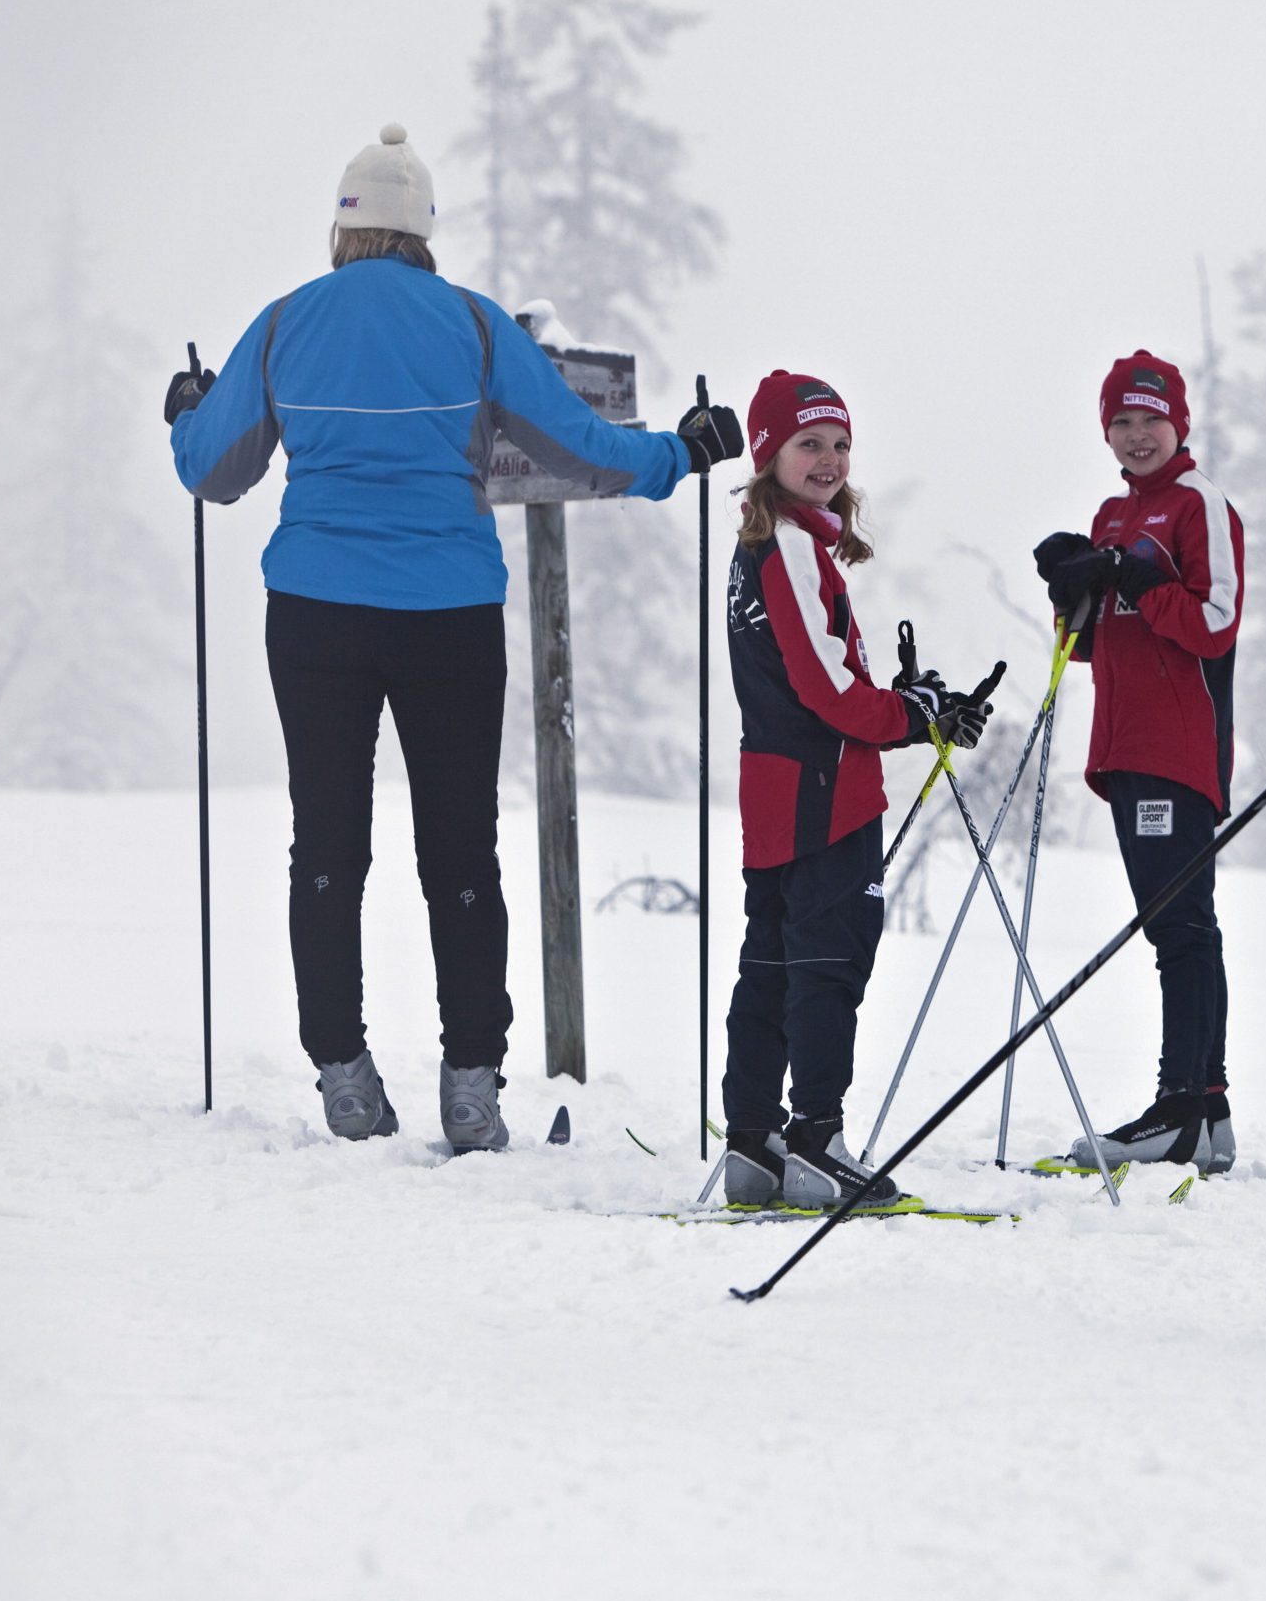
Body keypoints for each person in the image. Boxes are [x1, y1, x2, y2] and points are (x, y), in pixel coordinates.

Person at [167, 123, 744, 1154]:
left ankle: (343, 1077)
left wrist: (189, 413)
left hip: (314, 615)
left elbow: (212, 473)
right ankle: (471, 1087)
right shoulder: (473, 326)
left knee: (328, 844)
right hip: (448, 617)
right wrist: (679, 456)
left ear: (343, 229)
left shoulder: (286, 321)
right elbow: (581, 444)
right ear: (423, 232)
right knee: (459, 848)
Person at [718, 371, 993, 1209]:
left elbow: (822, 673)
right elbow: (828, 692)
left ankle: (754, 1143)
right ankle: (815, 1140)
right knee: (828, 962)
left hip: (777, 787)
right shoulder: (789, 549)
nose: (829, 459)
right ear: (769, 453)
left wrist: (911, 700)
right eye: (810, 443)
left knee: (771, 959)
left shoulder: (768, 547)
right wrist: (915, 716)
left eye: (840, 444)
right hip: (823, 794)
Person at [1031, 350, 1246, 1172]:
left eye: (1149, 419)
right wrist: (1072, 589)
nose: (1135, 434)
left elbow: (1213, 624)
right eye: (1120, 421)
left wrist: (1140, 574)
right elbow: (1099, 642)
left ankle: (1178, 1108)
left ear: (1177, 423)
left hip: (1177, 745)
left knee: (1180, 930)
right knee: (1182, 927)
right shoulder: (1114, 512)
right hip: (1123, 748)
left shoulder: (1200, 504)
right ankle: (1208, 1111)